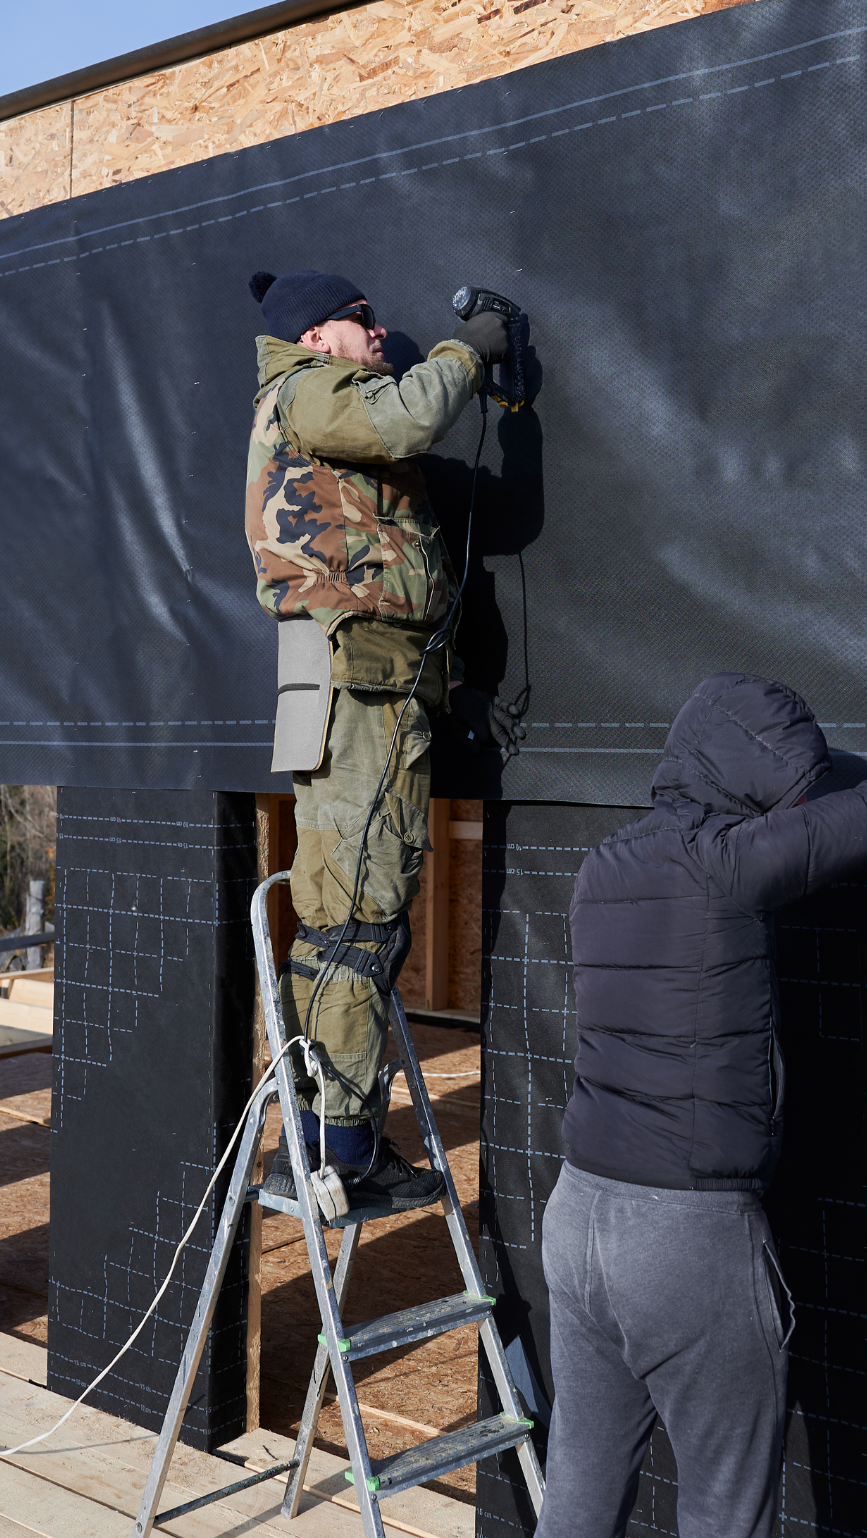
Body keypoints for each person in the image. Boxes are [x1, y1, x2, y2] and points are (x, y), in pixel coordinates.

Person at [536, 604, 867, 1538]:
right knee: (728, 1512)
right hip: (683, 1238)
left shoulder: (598, 870)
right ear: (754, 777)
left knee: (578, 1492)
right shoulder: (727, 870)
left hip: (576, 1219)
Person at [243, 267, 512, 1210]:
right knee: (358, 922)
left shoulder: (313, 405)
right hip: (358, 688)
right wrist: (465, 354)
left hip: (365, 685)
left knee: (342, 919)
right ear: (319, 336)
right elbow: (404, 419)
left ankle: (323, 1141)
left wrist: (456, 692)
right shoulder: (312, 390)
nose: (380, 333)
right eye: (365, 323)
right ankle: (343, 1153)